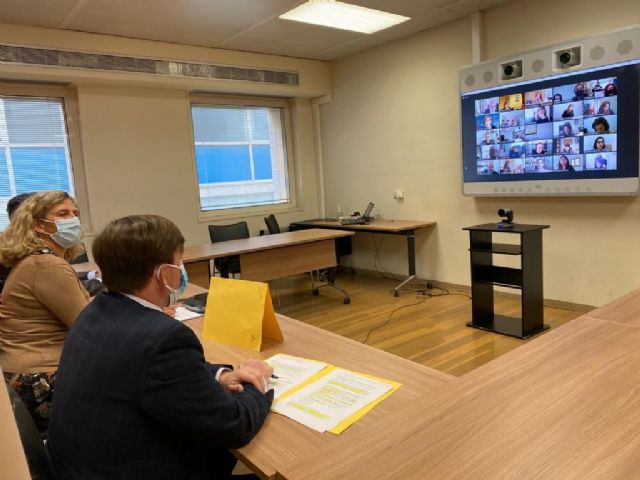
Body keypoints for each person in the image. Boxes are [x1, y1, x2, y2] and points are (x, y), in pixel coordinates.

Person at [47, 215, 273, 479]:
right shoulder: (163, 338)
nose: (182, 269)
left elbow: (159, 371)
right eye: (179, 261)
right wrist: (257, 384)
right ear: (164, 273)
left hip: (78, 467)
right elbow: (233, 426)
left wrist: (220, 375)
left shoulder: (95, 312)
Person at [0, 190, 89, 433]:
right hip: (39, 380)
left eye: (75, 213)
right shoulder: (46, 264)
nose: (73, 219)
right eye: (63, 214)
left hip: (24, 374)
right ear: (39, 225)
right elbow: (88, 326)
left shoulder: (38, 259)